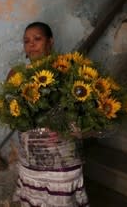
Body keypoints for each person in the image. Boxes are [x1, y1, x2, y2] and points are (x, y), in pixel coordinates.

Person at [9, 21, 90, 207]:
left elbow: (84, 113)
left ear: (50, 42)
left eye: (37, 39)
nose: (31, 44)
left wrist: (68, 129)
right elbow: (10, 114)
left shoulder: (67, 70)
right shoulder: (16, 74)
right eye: (26, 40)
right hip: (31, 162)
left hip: (62, 163)